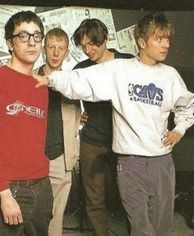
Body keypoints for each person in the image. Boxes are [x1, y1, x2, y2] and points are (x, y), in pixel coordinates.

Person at [33, 12, 194, 236]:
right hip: (129, 163)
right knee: (140, 226)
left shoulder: (170, 75)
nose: (166, 44)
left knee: (161, 226)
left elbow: (187, 106)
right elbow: (82, 80)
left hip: (161, 161)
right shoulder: (120, 69)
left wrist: (179, 129)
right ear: (142, 42)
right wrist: (50, 79)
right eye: (159, 39)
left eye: (167, 39)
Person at [0, 11, 53, 236]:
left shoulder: (41, 87)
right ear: (9, 43)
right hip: (7, 189)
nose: (32, 42)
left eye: (37, 36)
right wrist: (4, 193)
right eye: (23, 36)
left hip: (42, 187)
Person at [72, 18, 133, 236]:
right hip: (92, 141)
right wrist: (78, 116)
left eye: (92, 43)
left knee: (129, 197)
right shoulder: (81, 68)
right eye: (83, 45)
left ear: (104, 38)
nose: (88, 50)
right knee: (94, 198)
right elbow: (66, 96)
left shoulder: (128, 62)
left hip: (125, 141)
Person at [36, 28, 81, 236]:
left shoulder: (72, 81)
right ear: (44, 49)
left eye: (60, 48)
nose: (55, 53)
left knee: (56, 216)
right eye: (51, 47)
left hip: (60, 156)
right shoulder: (30, 78)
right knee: (30, 213)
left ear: (67, 52)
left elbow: (76, 114)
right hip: (32, 156)